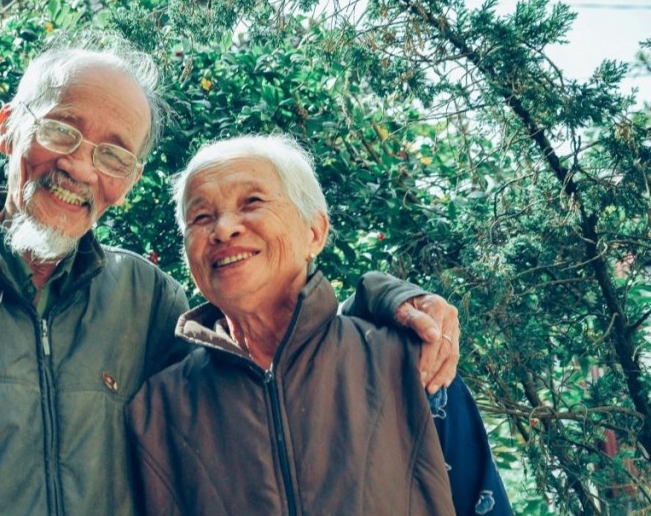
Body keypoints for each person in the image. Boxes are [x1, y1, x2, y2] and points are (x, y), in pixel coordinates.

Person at [0, 34, 463, 515]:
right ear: (10, 128)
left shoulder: (148, 301)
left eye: (114, 153)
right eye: (61, 129)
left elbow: (268, 347)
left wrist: (388, 298)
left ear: (127, 180)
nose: (78, 166)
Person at [126, 135, 511, 515]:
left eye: (252, 202)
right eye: (201, 217)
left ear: (315, 233)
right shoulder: (158, 409)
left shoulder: (410, 361)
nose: (224, 229)